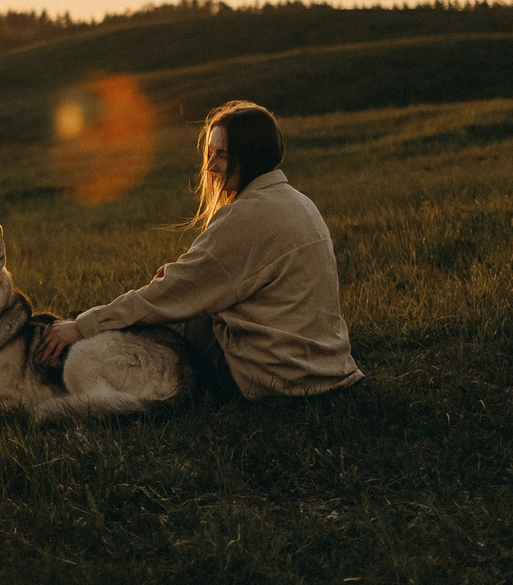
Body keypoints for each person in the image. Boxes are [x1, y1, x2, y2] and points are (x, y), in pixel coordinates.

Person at [34, 101, 362, 402]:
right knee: (177, 300)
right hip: (325, 368)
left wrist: (83, 325)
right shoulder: (298, 202)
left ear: (248, 155)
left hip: (276, 377)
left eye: (221, 154)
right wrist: (181, 282)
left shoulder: (247, 216)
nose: (210, 166)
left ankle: (67, 375)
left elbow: (169, 294)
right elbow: (202, 280)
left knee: (163, 314)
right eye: (210, 153)